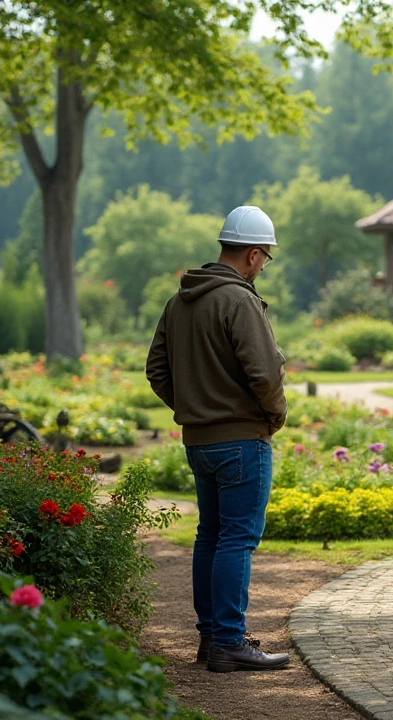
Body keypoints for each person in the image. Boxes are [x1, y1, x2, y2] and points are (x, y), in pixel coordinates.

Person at [146, 205, 290, 673]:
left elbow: (157, 370)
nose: (264, 266)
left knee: (210, 534)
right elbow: (265, 372)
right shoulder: (239, 301)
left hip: (199, 441)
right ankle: (229, 641)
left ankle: (211, 639)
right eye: (265, 258)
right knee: (236, 539)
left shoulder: (179, 300)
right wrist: (274, 414)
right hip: (242, 439)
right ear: (252, 254)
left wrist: (194, 408)